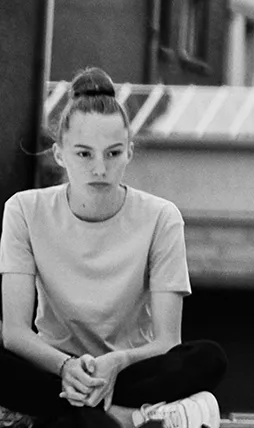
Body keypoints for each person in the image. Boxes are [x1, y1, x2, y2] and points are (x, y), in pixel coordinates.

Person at [0, 67, 226, 428]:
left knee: (208, 358)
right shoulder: (25, 210)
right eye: (85, 154)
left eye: (113, 153)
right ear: (60, 155)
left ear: (129, 153)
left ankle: (73, 412)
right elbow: (14, 332)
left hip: (130, 369)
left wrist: (117, 363)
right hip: (53, 368)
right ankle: (125, 415)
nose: (100, 168)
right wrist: (67, 367)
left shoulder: (161, 217)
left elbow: (168, 340)